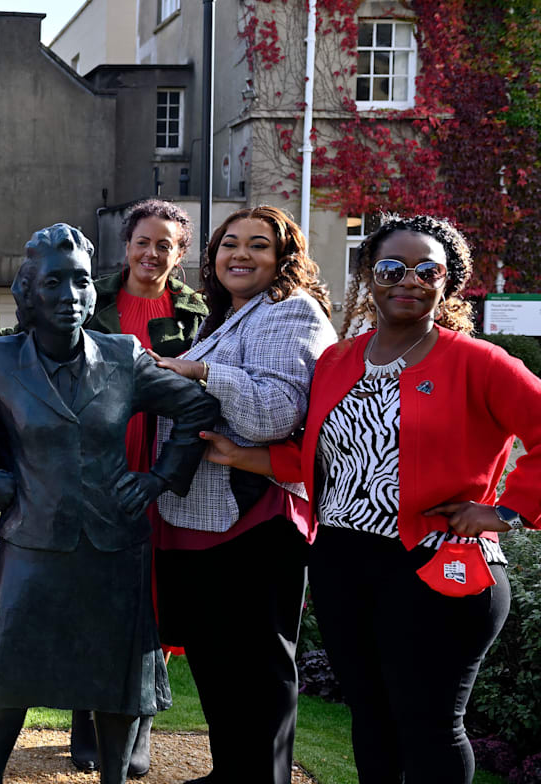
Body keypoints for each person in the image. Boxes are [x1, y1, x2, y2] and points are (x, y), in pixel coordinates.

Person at [200, 214, 541, 784]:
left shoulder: (477, 362)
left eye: (427, 269)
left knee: (429, 726)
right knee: (373, 721)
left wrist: (505, 510)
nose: (408, 279)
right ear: (367, 275)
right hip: (343, 566)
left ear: (448, 281)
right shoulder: (339, 360)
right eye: (391, 267)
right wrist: (241, 456)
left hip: (437, 567)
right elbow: (320, 460)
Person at [0, 224, 220, 784]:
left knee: (117, 680)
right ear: (29, 291)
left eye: (81, 282)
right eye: (53, 283)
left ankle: (113, 777)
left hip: (116, 544)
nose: (70, 297)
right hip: (32, 542)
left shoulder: (124, 355)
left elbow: (196, 408)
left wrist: (158, 479)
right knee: (8, 678)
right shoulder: (2, 361)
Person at [150, 205, 336, 784]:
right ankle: (232, 771)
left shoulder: (292, 313)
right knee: (215, 662)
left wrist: (200, 373)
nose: (240, 254)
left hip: (255, 516)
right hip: (201, 518)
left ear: (284, 258)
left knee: (258, 668)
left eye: (259, 245)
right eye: (229, 243)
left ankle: (261, 777)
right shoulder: (225, 318)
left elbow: (275, 413)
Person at [70, 198, 206, 776]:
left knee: (149, 604)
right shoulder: (88, 298)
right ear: (125, 244)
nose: (152, 254)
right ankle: (86, 728)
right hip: (95, 465)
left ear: (181, 253)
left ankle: (137, 729)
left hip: (161, 468)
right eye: (143, 242)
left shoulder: (196, 311)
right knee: (91, 596)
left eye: (166, 245)